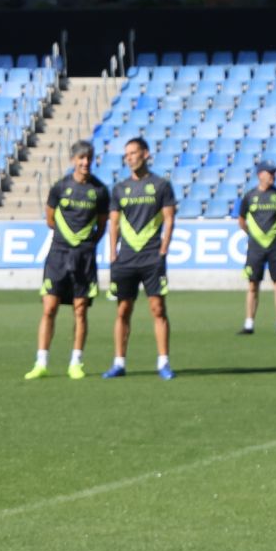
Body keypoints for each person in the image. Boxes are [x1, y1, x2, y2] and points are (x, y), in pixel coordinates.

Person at [25, 141, 109, 380]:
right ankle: (41, 362)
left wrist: (85, 244)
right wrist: (67, 239)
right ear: (73, 160)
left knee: (80, 310)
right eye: (81, 159)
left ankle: (76, 362)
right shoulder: (60, 187)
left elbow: (101, 225)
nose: (85, 163)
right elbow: (50, 220)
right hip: (58, 255)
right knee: (49, 308)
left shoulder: (100, 191)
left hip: (84, 257)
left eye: (89, 159)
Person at [102, 137, 176, 379]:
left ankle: (163, 362)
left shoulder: (161, 185)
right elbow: (113, 223)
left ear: (145, 153)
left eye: (134, 153)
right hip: (125, 258)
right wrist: (112, 253)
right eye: (127, 155)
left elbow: (169, 218)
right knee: (123, 309)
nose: (130, 158)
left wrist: (164, 248)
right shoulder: (120, 188)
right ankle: (119, 362)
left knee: (157, 308)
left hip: (151, 257)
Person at [237, 160, 276, 335]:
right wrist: (254, 235)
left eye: (274, 173)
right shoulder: (249, 196)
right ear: (260, 174)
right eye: (270, 173)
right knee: (253, 284)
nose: (273, 176)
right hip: (255, 246)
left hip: (275, 245)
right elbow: (241, 220)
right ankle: (249, 324)